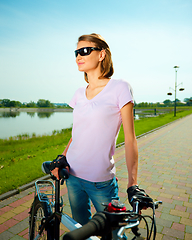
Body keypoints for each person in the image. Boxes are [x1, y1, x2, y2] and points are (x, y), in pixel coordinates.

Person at [50, 33, 149, 234]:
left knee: (113, 234)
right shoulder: (79, 93)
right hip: (73, 176)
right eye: (76, 52)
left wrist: (133, 184)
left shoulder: (119, 87)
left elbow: (130, 139)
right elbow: (77, 133)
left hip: (100, 181)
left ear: (101, 54)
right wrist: (62, 157)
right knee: (82, 230)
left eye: (85, 51)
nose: (79, 55)